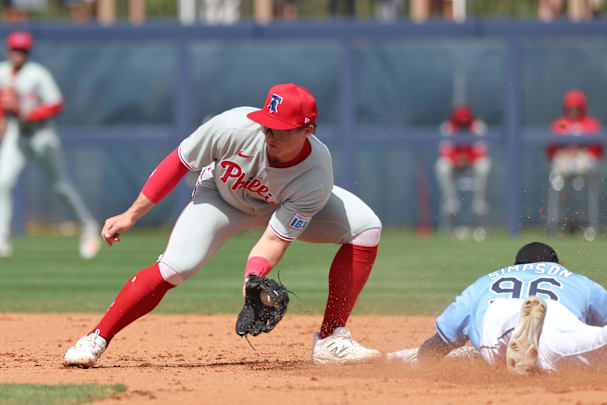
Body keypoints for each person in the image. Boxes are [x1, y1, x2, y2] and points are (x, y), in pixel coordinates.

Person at [63, 83, 383, 368]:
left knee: (366, 227)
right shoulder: (233, 127)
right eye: (267, 127)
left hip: (278, 208)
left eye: (281, 130)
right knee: (176, 266)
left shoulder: (315, 175)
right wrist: (132, 214)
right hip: (222, 198)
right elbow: (179, 162)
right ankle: (96, 338)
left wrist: (252, 279)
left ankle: (330, 339)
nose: (270, 135)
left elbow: (274, 238)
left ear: (307, 130)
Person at [386, 242, 607, 375]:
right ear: (554, 265)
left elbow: (438, 343)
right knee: (588, 346)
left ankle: (519, 335)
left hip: (502, 315)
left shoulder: (485, 282)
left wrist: (426, 371)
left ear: (516, 266)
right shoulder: (575, 280)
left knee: (499, 348)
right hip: (558, 312)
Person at [0, 31, 101, 259]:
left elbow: (56, 104)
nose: (18, 53)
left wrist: (32, 114)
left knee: (60, 186)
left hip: (42, 135)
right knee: (2, 182)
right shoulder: (2, 72)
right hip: (18, 135)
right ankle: (2, 238)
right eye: (15, 49)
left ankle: (88, 226)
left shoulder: (37, 74)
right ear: (9, 50)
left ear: (28, 52)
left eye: (23, 50)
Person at [546, 89, 603, 241]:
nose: (574, 111)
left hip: (583, 162)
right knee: (558, 173)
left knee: (584, 167)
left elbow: (597, 150)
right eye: (571, 108)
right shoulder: (560, 124)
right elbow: (551, 149)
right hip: (565, 162)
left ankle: (588, 224)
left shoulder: (590, 124)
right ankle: (557, 224)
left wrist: (580, 154)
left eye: (577, 108)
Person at [434, 104, 491, 241]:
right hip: (454, 163)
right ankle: (451, 203)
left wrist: (468, 158)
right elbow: (444, 150)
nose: (462, 125)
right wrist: (456, 159)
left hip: (472, 163)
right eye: (460, 122)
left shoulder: (478, 126)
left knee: (484, 165)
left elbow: (482, 150)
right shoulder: (447, 127)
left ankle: (480, 205)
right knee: (442, 166)